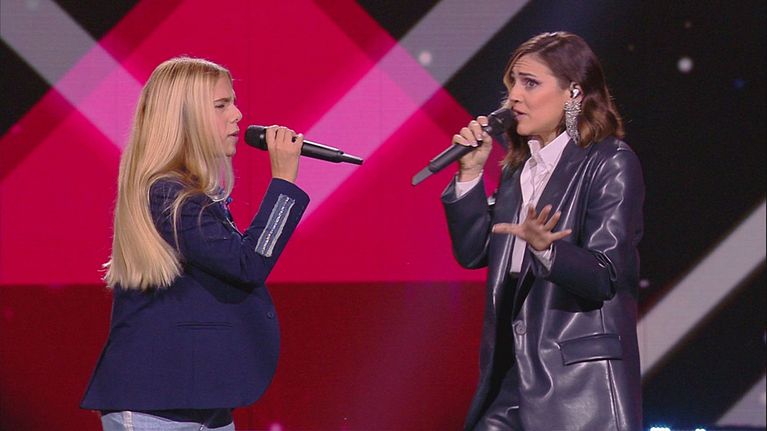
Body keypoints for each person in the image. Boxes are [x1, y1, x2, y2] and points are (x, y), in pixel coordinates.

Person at [80, 57, 309, 430]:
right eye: (221, 105)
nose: (237, 115)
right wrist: (283, 183)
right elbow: (247, 264)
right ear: (184, 118)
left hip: (203, 403)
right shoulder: (168, 195)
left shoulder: (190, 194)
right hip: (156, 406)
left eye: (233, 102)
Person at [442, 32, 644, 430]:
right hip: (513, 380)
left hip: (577, 388)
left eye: (530, 83)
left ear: (573, 92)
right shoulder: (521, 169)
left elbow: (606, 276)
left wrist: (548, 250)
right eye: (512, 84)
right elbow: (472, 251)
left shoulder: (610, 162)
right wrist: (470, 173)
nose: (514, 97)